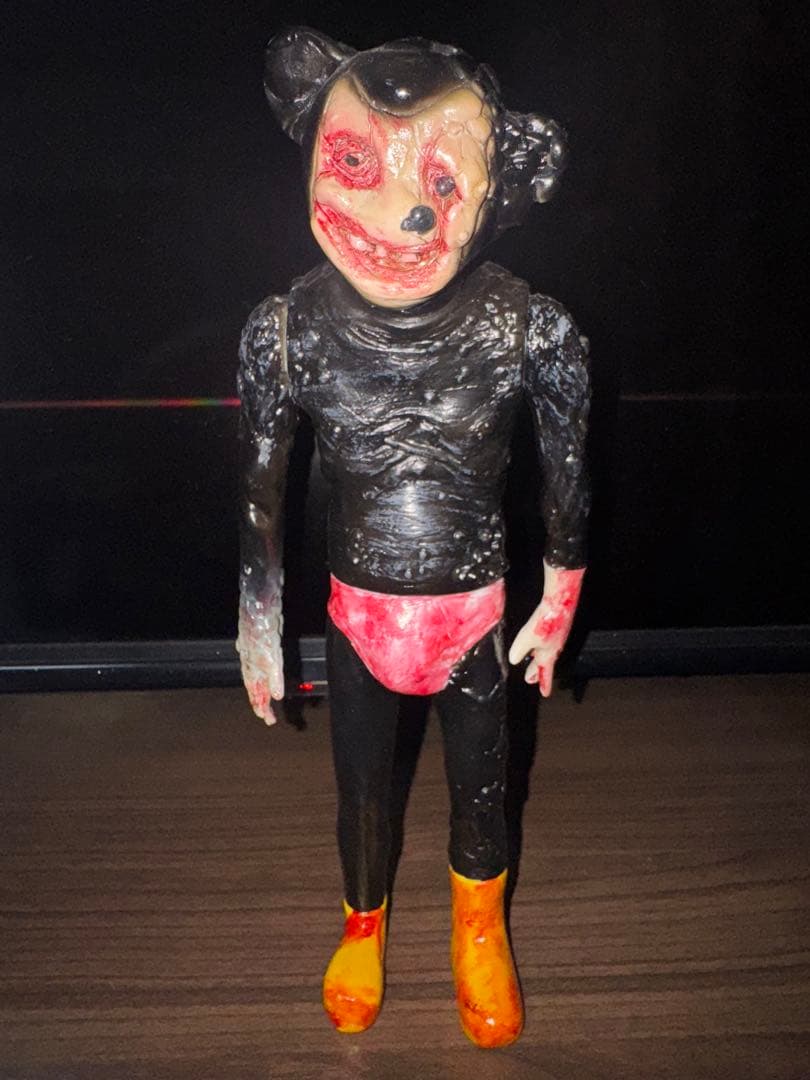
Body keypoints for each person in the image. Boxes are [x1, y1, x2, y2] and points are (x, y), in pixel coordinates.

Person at [236, 29, 590, 1048]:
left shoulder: (532, 331)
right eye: (357, 161)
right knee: (361, 792)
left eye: (439, 178)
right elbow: (261, 490)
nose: (401, 210)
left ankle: (479, 927)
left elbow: (567, 476)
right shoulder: (286, 332)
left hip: (476, 620)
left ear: (498, 191)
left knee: (483, 787)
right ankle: (363, 923)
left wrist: (560, 593)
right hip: (358, 618)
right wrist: (258, 619)